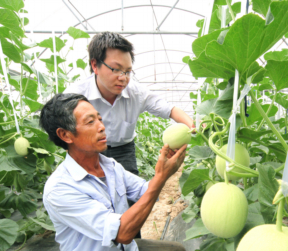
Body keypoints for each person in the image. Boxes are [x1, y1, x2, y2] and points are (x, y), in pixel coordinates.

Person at [39, 93, 188, 251]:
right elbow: (124, 232)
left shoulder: (110, 166)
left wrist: (162, 173)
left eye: (99, 118)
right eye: (90, 122)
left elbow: (145, 191)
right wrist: (162, 176)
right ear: (65, 135)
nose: (101, 126)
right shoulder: (59, 189)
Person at [64, 31, 194, 176]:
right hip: (88, 151)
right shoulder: (75, 95)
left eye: (128, 71)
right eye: (116, 69)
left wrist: (193, 126)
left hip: (124, 151)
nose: (123, 78)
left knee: (130, 196)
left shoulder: (136, 93)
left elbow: (170, 110)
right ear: (95, 65)